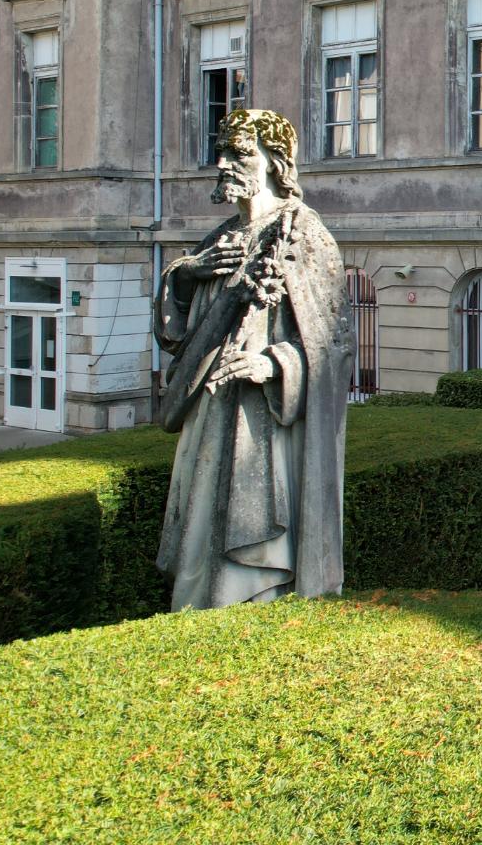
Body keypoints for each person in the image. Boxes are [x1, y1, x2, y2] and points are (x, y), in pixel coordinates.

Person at [154, 109, 352, 609]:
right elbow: (178, 337)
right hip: (207, 411)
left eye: (239, 152)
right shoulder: (218, 239)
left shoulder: (304, 235)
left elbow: (333, 346)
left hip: (260, 419)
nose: (224, 163)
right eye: (222, 152)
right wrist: (186, 274)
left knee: (250, 543)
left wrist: (276, 366)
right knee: (200, 536)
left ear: (274, 163)